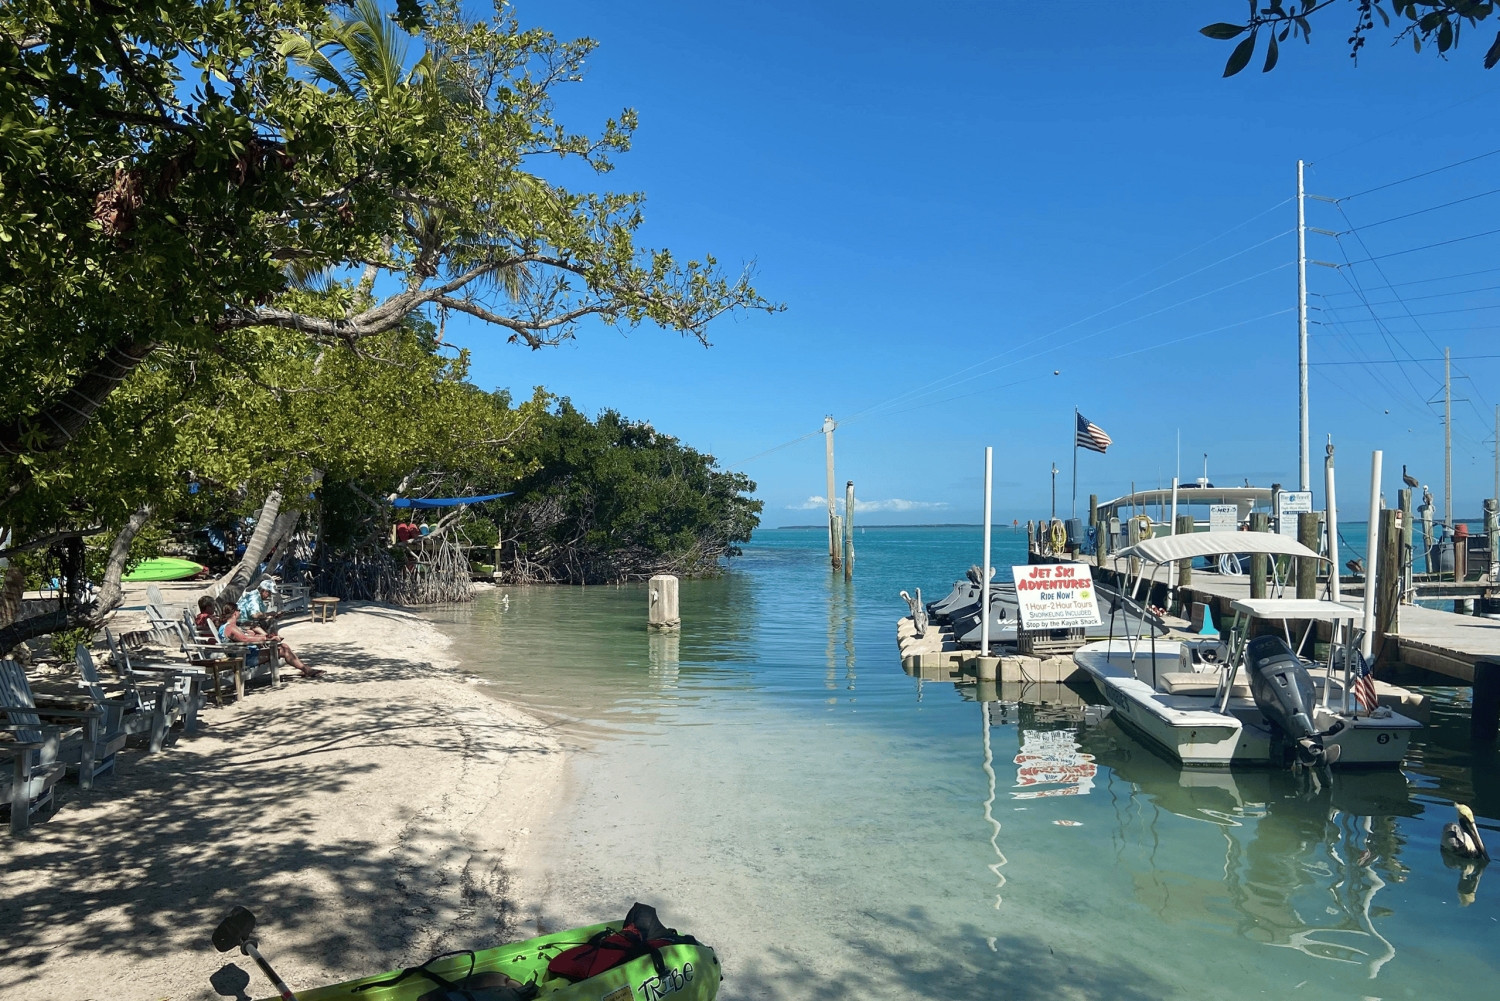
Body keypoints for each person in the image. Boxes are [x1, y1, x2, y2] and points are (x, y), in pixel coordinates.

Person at [217, 600, 323, 679]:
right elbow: (244, 639)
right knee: (283, 649)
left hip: (245, 654)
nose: (240, 613)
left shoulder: (227, 626)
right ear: (235, 613)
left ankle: (306, 669)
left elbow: (246, 638)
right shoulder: (230, 628)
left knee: (283, 647)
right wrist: (265, 638)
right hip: (245, 658)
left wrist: (267, 637)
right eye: (239, 610)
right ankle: (307, 670)